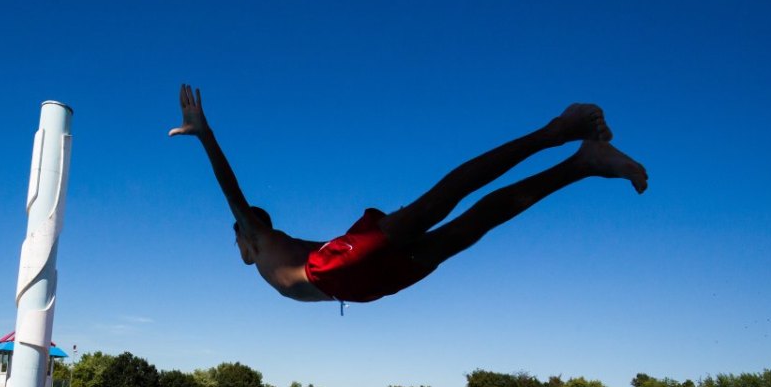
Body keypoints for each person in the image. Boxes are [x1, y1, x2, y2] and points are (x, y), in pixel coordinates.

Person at [169, 84, 647, 304]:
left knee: (443, 201)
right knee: (472, 222)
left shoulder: (257, 233)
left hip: (340, 269)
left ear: (245, 231)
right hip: (359, 283)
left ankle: (558, 132)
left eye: (236, 235)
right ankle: (583, 163)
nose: (236, 245)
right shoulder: (282, 247)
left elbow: (230, 189)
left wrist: (205, 135)